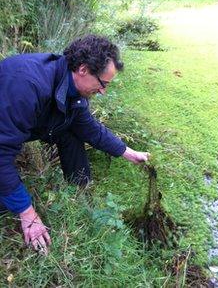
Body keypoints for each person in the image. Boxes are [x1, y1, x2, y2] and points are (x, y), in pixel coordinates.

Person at [0, 35, 149, 253]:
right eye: (102, 84)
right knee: (6, 204)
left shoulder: (71, 87)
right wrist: (27, 212)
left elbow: (87, 127)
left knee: (70, 129)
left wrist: (127, 152)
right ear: (83, 69)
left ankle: (79, 189)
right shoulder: (27, 85)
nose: (103, 91)